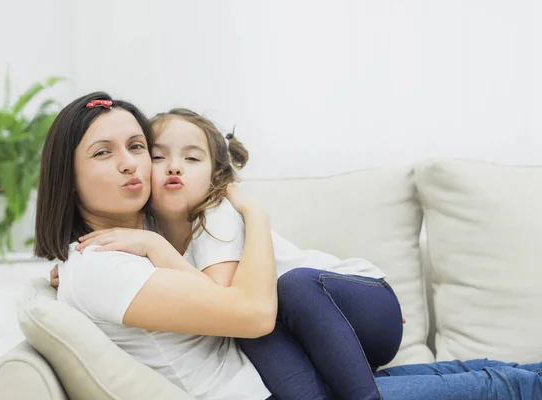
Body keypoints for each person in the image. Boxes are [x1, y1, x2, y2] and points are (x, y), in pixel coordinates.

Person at [43, 93, 542, 400]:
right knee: (504, 384)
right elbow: (247, 313)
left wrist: (242, 219)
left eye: (135, 148)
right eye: (104, 153)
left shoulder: (165, 229)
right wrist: (96, 261)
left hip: (308, 345)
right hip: (270, 384)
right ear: (69, 175)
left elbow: (247, 309)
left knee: (501, 383)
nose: (134, 164)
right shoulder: (104, 261)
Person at [76, 108, 403, 400]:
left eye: (191, 159)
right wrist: (78, 264)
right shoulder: (148, 223)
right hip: (311, 331)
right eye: (159, 157)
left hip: (361, 303)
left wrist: (154, 246)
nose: (175, 167)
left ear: (216, 176)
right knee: (259, 337)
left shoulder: (215, 215)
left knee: (290, 290)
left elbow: (224, 303)